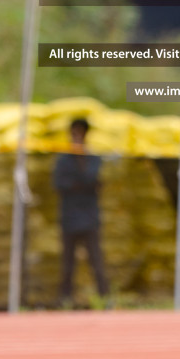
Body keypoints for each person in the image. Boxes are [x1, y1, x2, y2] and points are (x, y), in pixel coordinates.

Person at [53, 118, 109, 305]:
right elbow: (60, 184)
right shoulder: (63, 160)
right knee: (68, 262)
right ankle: (65, 298)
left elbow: (94, 180)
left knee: (96, 260)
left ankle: (105, 297)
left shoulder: (92, 158)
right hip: (69, 216)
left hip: (89, 216)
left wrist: (81, 178)